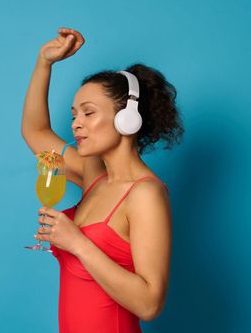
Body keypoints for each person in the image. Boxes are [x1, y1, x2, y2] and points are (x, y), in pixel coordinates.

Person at [21, 27, 184, 332]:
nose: (76, 125)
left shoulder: (145, 193)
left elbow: (150, 304)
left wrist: (78, 244)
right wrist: (44, 63)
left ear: (127, 118)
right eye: (74, 116)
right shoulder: (94, 176)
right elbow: (35, 133)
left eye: (88, 113)